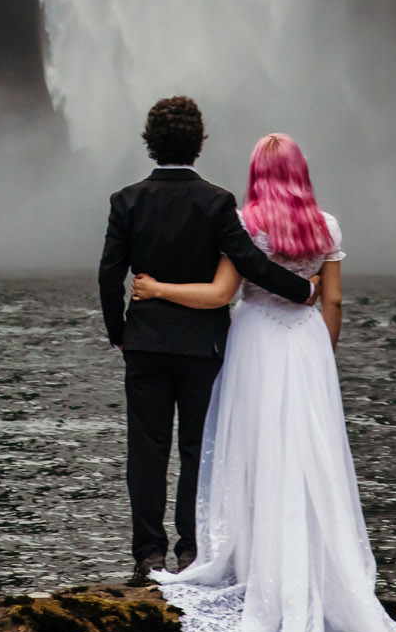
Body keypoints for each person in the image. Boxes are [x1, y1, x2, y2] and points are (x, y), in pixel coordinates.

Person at [129, 130, 396, 632]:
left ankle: (255, 562)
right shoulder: (324, 224)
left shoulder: (245, 222)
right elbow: (331, 299)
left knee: (253, 454)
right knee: (310, 457)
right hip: (307, 343)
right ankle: (313, 562)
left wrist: (154, 290)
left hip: (256, 340)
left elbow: (226, 295)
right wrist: (320, 356)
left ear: (257, 173)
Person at [98, 95, 317, 587]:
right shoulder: (217, 202)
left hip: (146, 343)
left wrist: (119, 333)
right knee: (199, 448)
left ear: (150, 143)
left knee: (147, 449)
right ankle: (191, 549)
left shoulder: (126, 200)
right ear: (199, 143)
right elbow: (250, 263)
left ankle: (148, 556)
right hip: (203, 346)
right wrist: (302, 290)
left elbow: (109, 275)